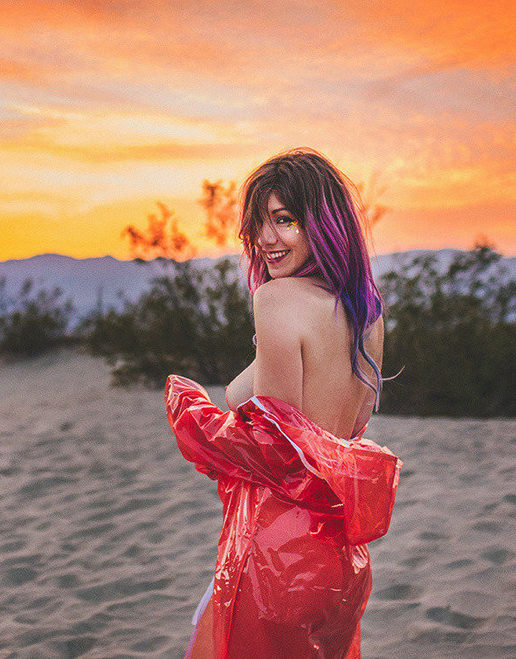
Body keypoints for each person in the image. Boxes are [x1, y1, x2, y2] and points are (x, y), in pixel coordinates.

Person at [165, 147, 401, 658]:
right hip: (341, 559)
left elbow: (274, 447)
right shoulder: (367, 314)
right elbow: (347, 426)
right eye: (259, 223)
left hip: (278, 554)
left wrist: (198, 421)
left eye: (285, 220)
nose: (266, 239)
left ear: (324, 223)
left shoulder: (276, 300)